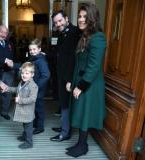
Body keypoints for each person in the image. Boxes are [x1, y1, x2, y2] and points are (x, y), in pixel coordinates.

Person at [65, 2, 107, 157]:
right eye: (80, 16)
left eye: (85, 17)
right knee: (81, 112)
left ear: (92, 18)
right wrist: (71, 80)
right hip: (81, 80)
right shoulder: (85, 36)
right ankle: (80, 143)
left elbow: (93, 67)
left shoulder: (98, 38)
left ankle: (83, 145)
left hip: (89, 84)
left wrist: (80, 86)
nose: (81, 19)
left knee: (85, 113)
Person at [6, 39, 50, 135]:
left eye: (34, 49)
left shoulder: (41, 61)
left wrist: (36, 87)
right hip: (34, 89)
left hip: (38, 89)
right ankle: (35, 123)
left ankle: (40, 127)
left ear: (39, 49)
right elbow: (24, 67)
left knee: (39, 108)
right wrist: (13, 65)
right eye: (30, 50)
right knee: (34, 107)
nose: (32, 51)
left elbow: (46, 75)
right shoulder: (33, 58)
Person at [50, 10, 81, 141]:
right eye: (56, 22)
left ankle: (65, 132)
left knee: (66, 104)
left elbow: (73, 58)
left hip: (68, 76)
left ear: (66, 18)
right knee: (63, 102)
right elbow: (59, 54)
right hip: (61, 74)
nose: (58, 24)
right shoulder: (61, 33)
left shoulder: (74, 32)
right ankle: (64, 126)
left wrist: (69, 79)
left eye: (60, 20)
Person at [6, 62, 38, 149]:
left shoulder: (33, 85)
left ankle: (29, 142)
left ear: (32, 74)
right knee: (25, 125)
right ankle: (25, 136)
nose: (24, 75)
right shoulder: (22, 82)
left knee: (28, 127)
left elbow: (32, 99)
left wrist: (20, 100)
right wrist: (7, 89)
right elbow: (17, 89)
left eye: (27, 73)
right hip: (23, 111)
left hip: (28, 112)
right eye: (23, 73)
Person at [0, 25, 14, 120]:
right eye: (1, 32)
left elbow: (13, 56)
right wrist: (5, 60)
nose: (3, 34)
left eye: (5, 33)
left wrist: (14, 66)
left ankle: (4, 112)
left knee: (8, 92)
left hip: (8, 72)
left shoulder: (8, 43)